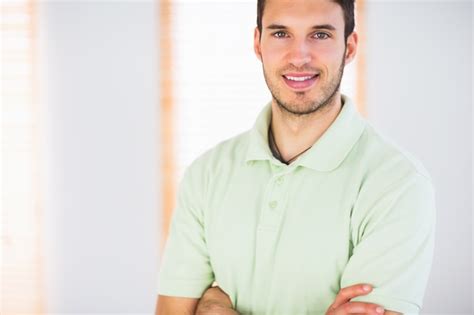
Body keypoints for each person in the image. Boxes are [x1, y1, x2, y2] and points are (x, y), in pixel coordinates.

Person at [155, 0, 436, 314]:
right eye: (280, 34)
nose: (299, 57)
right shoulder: (205, 174)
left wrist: (214, 309)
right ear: (257, 43)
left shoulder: (397, 183)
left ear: (349, 47)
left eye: (320, 35)